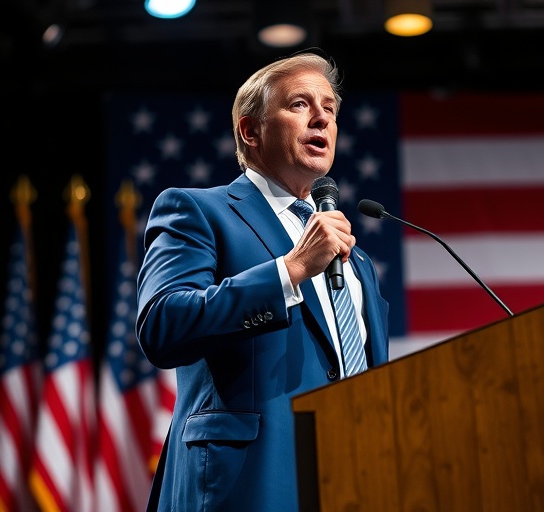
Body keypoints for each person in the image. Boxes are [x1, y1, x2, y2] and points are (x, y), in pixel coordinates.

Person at [136, 51, 390, 511]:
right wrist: (289, 272)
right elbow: (162, 326)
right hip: (247, 486)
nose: (321, 118)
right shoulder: (199, 211)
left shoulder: (358, 262)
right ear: (250, 130)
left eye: (330, 108)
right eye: (299, 104)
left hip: (352, 482)